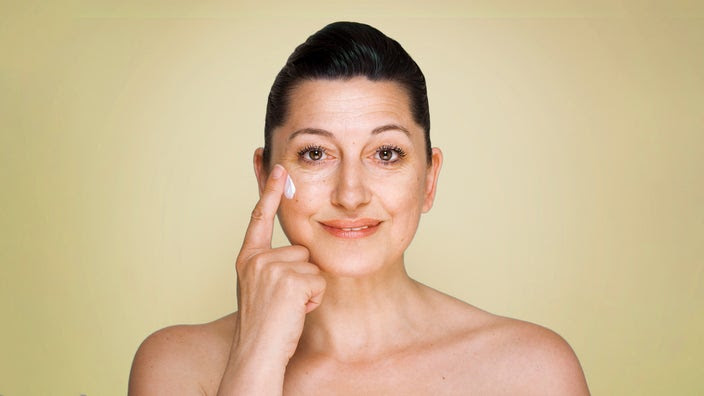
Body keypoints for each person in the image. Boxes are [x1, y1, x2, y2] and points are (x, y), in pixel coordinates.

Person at [128, 21, 590, 395]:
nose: (350, 195)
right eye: (314, 153)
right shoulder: (176, 366)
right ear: (264, 174)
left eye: (386, 154)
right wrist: (255, 356)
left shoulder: (532, 373)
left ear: (429, 179)